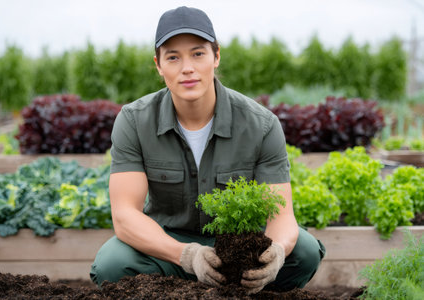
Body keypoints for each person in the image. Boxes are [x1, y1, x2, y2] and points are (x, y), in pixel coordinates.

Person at [90, 6, 325, 294]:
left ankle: (246, 291)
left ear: (216, 56)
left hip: (239, 249)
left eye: (198, 53)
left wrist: (275, 253)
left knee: (303, 251)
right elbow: (125, 215)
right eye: (173, 57)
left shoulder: (261, 124)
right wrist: (187, 256)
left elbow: (282, 215)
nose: (187, 68)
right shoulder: (134, 121)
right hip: (168, 248)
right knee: (113, 263)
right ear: (158, 65)